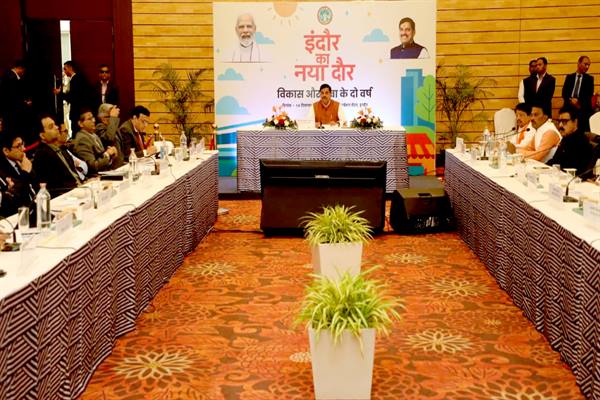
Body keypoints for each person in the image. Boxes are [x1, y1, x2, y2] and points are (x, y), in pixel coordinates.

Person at [33, 114, 83, 197]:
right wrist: (78, 188)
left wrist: (84, 183)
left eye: (55, 125)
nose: (56, 127)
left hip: (79, 189)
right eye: (51, 127)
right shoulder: (42, 155)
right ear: (42, 135)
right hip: (66, 195)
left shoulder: (62, 149)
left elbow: (73, 174)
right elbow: (54, 185)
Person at [546, 106, 594, 177]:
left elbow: (571, 168)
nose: (560, 125)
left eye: (564, 121)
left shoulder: (581, 141)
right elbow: (555, 160)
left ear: (575, 122)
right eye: (559, 121)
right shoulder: (566, 138)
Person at [0, 133, 37, 216]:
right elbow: (17, 199)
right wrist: (25, 173)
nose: (23, 149)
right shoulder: (2, 171)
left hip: (35, 206)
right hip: (18, 214)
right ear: (6, 151)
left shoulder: (21, 161)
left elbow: (36, 185)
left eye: (23, 144)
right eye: (18, 146)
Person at [72, 110, 118, 174]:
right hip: (93, 176)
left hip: (104, 172)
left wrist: (111, 156)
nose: (94, 120)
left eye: (93, 118)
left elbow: (102, 158)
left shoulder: (93, 135)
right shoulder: (82, 139)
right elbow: (93, 166)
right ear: (80, 124)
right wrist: (107, 154)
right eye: (89, 119)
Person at [54, 61, 93, 135]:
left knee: (77, 133)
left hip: (77, 113)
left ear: (70, 68)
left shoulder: (75, 79)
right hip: (81, 112)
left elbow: (72, 97)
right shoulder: (78, 78)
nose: (64, 71)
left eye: (65, 69)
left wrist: (59, 93)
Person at [0, 60, 35, 144]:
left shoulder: (7, 75)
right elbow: (13, 98)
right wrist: (25, 104)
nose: (23, 73)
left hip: (8, 113)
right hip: (12, 113)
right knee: (14, 136)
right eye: (23, 70)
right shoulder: (12, 78)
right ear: (20, 68)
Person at [561, 56, 594, 132]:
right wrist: (571, 100)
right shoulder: (569, 77)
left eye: (588, 65)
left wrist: (578, 103)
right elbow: (564, 93)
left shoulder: (589, 79)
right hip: (569, 106)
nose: (587, 67)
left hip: (582, 108)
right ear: (579, 63)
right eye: (585, 64)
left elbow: (589, 95)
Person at [96, 103, 124, 168]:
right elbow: (109, 138)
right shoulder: (99, 127)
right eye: (110, 117)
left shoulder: (113, 128)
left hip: (119, 165)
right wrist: (113, 117)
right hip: (109, 167)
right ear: (102, 118)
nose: (114, 119)